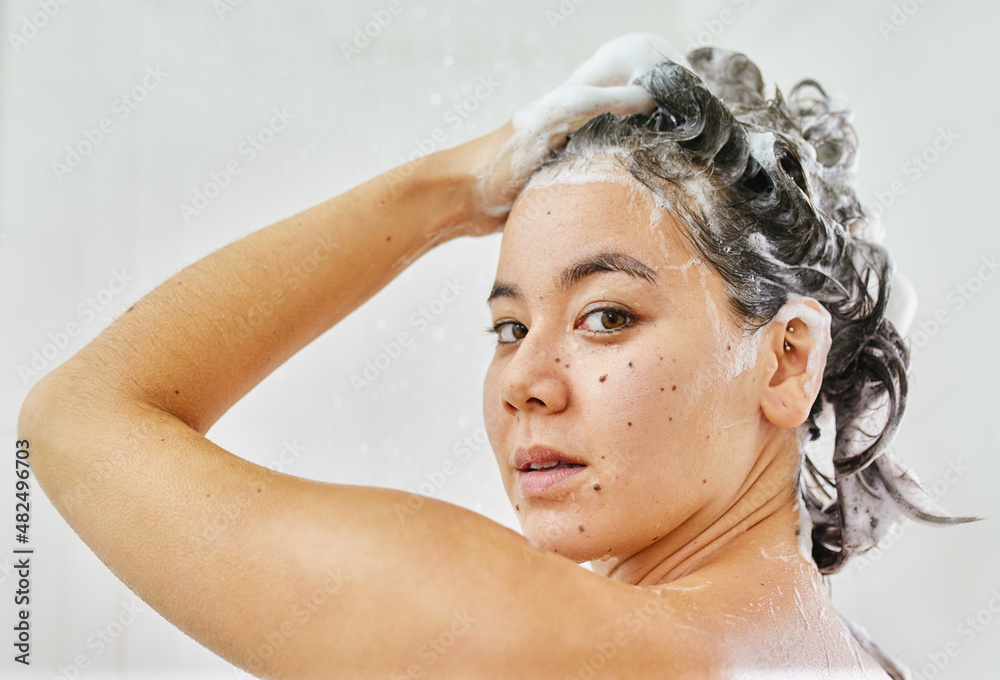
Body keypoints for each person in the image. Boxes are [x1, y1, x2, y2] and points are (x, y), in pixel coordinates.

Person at [18, 33, 973, 678]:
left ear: (785, 358)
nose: (525, 381)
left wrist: (446, 196)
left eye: (606, 317)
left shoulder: (544, 645)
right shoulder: (859, 664)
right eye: (509, 328)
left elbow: (79, 416)